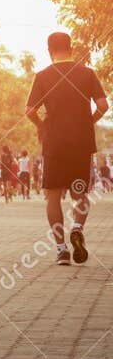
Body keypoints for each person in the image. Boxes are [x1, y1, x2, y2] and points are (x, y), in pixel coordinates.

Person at [25, 31, 108, 265]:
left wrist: (42, 127)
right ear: (70, 48)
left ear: (49, 51)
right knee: (79, 192)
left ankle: (61, 250)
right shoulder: (87, 73)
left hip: (55, 143)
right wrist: (89, 121)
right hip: (81, 143)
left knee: (52, 195)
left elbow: (30, 110)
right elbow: (103, 104)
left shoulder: (43, 76)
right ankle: (78, 228)